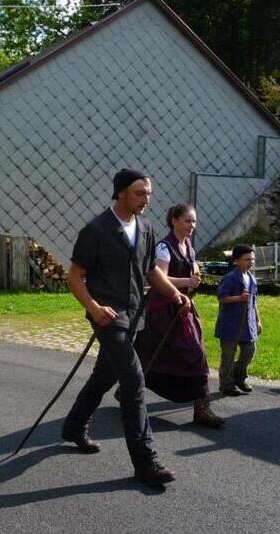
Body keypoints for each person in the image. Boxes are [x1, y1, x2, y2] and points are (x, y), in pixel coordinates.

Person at [62, 168, 191, 489]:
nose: (146, 199)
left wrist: (174, 293)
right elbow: (74, 276)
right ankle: (145, 462)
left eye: (148, 193)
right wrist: (92, 307)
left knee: (104, 375)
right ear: (120, 193)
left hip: (135, 314)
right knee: (133, 380)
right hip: (107, 315)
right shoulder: (96, 230)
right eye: (139, 193)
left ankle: (74, 426)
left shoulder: (146, 230)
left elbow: (150, 272)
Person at [133, 204, 224, 427]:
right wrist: (186, 282)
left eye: (193, 221)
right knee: (162, 353)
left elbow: (189, 272)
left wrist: (195, 277)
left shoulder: (188, 246)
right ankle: (130, 390)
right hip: (164, 309)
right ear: (174, 220)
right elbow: (159, 278)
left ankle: (201, 408)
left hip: (184, 308)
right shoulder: (164, 247)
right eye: (187, 221)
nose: (192, 225)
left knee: (193, 354)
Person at [215, 244, 262, 396]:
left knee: (250, 350)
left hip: (247, 324)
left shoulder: (251, 278)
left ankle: (239, 375)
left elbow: (253, 302)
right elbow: (222, 298)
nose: (251, 262)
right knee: (228, 355)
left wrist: (258, 320)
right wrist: (239, 298)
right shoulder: (230, 278)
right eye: (247, 259)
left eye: (252, 259)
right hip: (230, 324)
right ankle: (226, 385)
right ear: (236, 261)